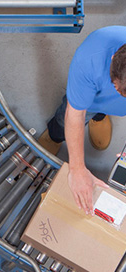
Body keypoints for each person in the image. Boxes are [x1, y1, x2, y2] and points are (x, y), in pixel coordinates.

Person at [38, 26, 126, 215]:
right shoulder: (91, 57)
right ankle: (54, 136)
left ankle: (101, 117)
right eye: (117, 88)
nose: (119, 94)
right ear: (113, 60)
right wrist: (77, 169)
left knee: (106, 107)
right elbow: (75, 114)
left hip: (111, 106)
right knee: (64, 122)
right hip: (89, 102)